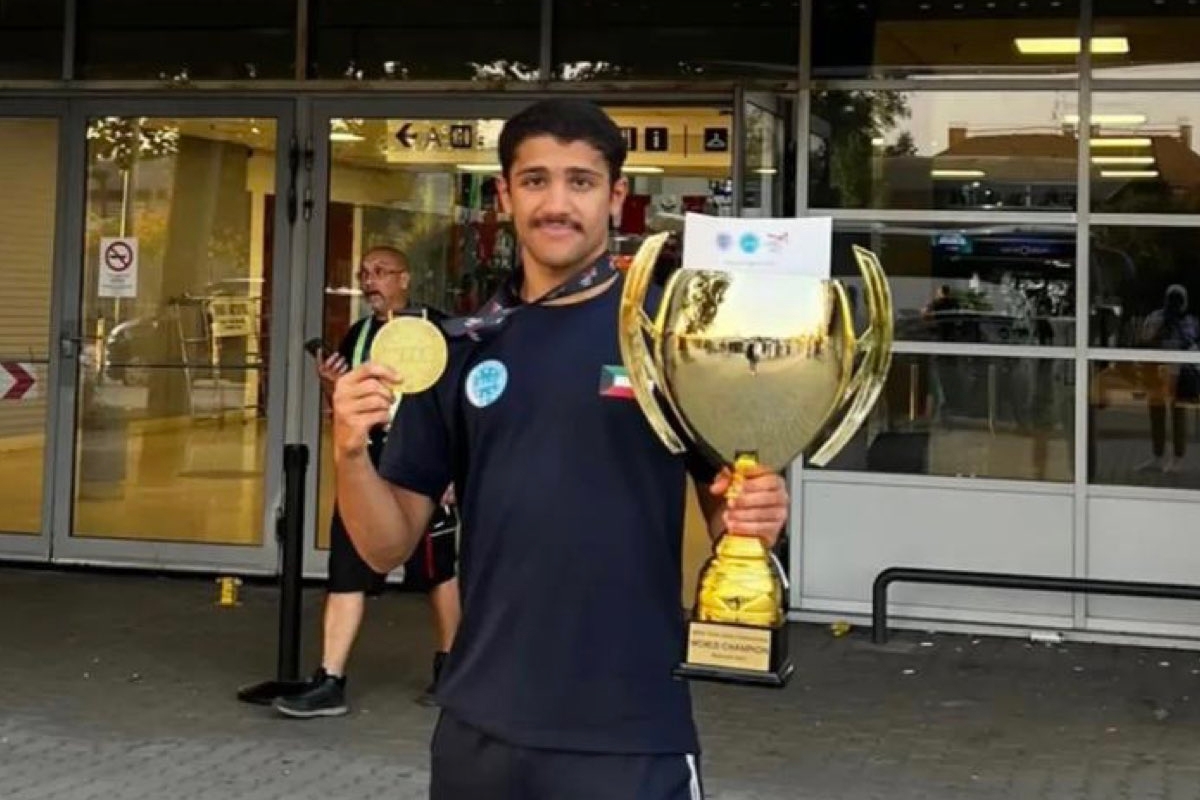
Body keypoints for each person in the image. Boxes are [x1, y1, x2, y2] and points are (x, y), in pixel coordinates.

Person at [331, 100, 790, 798]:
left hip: (629, 731)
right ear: (505, 195)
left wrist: (756, 512)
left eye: (580, 181)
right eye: (535, 180)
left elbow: (728, 514)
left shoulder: (674, 343)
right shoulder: (459, 347)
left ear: (616, 196)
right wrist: (349, 452)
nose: (556, 203)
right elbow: (385, 548)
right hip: (479, 728)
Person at [274, 246, 461, 719]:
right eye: (363, 274)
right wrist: (329, 383)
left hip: (424, 467)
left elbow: (459, 409)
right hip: (368, 467)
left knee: (437, 570)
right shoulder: (358, 336)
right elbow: (345, 405)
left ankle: (451, 668)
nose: (369, 282)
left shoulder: (437, 330)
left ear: (405, 279)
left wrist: (454, 471)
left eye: (380, 272)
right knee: (346, 568)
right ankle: (330, 678)